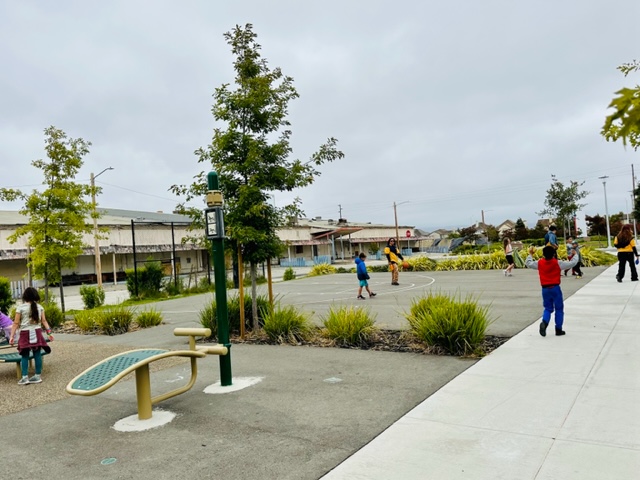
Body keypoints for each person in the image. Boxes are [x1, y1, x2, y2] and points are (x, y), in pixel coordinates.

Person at [525, 245, 579, 337]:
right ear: (554, 254)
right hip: (555, 288)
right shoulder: (558, 263)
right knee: (559, 309)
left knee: (548, 308)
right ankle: (558, 329)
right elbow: (572, 263)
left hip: (545, 289)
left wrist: (530, 254)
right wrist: (575, 255)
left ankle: (545, 322)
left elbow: (528, 263)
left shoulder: (540, 263)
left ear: (543, 254)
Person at [9, 287, 52, 385]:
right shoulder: (40, 307)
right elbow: (44, 321)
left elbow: (16, 323)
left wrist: (12, 336)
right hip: (37, 332)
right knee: (37, 354)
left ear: (25, 296)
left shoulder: (21, 307)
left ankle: (25, 377)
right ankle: (37, 376)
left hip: (25, 333)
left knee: (25, 355)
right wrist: (49, 333)